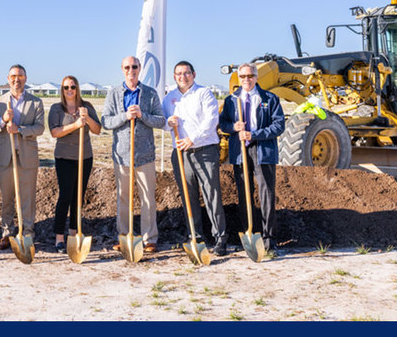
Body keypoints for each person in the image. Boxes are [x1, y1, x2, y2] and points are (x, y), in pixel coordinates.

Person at [162, 61, 228, 256]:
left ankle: (220, 238)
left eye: (187, 73)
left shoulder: (204, 93)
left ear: (194, 74)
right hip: (181, 153)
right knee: (188, 196)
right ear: (174, 77)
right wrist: (168, 122)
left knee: (211, 194)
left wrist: (193, 139)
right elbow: (164, 123)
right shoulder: (169, 99)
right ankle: (196, 236)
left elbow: (211, 120)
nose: (183, 77)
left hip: (204, 149)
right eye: (179, 74)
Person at [219, 62, 286, 256]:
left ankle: (269, 237)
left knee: (266, 193)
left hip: (263, 150)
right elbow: (223, 124)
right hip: (240, 152)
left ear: (256, 77)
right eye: (243, 76)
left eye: (250, 76)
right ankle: (249, 232)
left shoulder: (269, 98)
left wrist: (254, 134)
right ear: (238, 78)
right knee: (244, 193)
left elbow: (279, 125)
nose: (246, 80)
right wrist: (234, 127)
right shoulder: (232, 100)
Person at [101, 56, 165, 254]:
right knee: (123, 198)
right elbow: (106, 121)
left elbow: (160, 120)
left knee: (148, 198)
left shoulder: (150, 93)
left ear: (140, 68)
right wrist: (125, 117)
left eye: (134, 67)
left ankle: (149, 238)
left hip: (144, 155)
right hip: (122, 156)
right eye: (127, 67)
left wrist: (142, 115)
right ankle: (124, 235)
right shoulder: (113, 93)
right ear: (122, 69)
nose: (131, 70)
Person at [0, 64, 45, 250]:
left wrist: (19, 129)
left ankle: (27, 232)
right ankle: (7, 233)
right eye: (13, 76)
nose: (16, 79)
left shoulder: (36, 102)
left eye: (20, 76)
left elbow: (40, 128)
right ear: (8, 78)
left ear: (25, 79)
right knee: (7, 197)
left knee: (27, 197)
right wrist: (2, 120)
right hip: (6, 157)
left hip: (27, 156)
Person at [48, 75, 101, 253]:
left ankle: (74, 231)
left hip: (84, 157)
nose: (69, 90)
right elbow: (55, 132)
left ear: (77, 88)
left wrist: (87, 120)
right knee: (65, 195)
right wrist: (76, 125)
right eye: (65, 87)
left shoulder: (87, 107)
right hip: (64, 157)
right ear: (62, 90)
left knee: (79, 195)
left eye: (72, 87)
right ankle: (59, 237)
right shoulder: (56, 109)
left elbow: (97, 130)